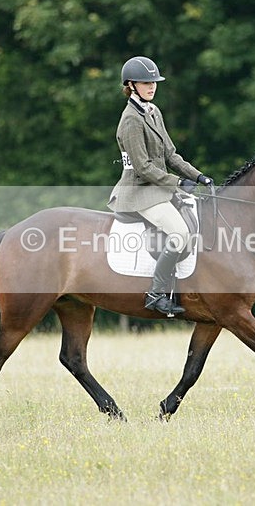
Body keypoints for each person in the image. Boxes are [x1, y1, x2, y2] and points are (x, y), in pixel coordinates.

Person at [108, 56, 213, 315]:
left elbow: (170, 155)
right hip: (139, 192)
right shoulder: (131, 120)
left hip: (158, 188)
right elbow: (143, 167)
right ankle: (156, 294)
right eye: (146, 83)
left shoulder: (153, 111)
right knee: (180, 233)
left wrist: (198, 176)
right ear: (131, 85)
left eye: (154, 82)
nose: (152, 86)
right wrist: (178, 182)